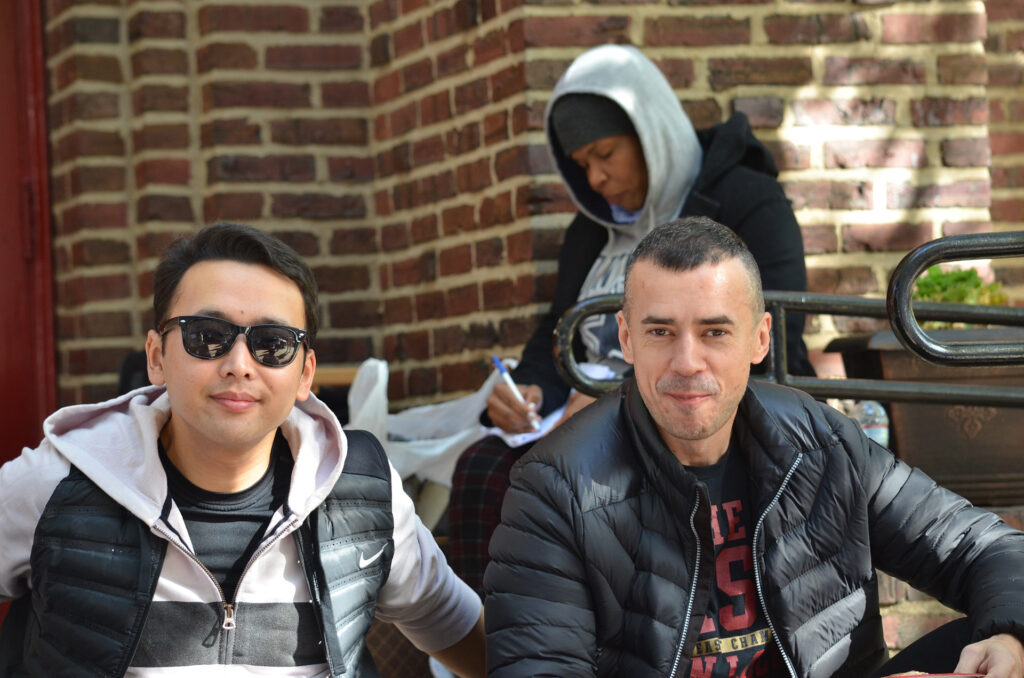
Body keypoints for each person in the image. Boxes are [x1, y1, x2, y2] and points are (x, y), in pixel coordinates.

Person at [484, 216, 1024, 678]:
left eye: (715, 332)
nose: (688, 362)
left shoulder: (822, 444)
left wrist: (1009, 639)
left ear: (760, 339)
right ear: (626, 338)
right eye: (660, 333)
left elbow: (990, 549)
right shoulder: (555, 488)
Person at [0, 223, 486, 677]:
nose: (238, 364)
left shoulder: (360, 492)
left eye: (272, 344)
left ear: (305, 374)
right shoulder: (59, 481)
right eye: (206, 337)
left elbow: (458, 628)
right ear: (156, 357)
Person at [448, 43, 815, 595]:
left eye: (605, 154)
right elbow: (559, 334)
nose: (594, 179)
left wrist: (622, 401)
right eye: (581, 165)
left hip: (691, 413)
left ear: (651, 134)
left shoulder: (746, 201)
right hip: (576, 424)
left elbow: (774, 342)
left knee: (538, 484)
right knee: (481, 467)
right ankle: (489, 654)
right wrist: (527, 392)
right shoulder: (591, 231)